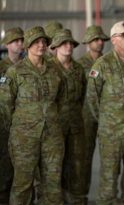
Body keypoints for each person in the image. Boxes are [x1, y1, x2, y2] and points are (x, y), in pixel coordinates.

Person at [0, 26, 64, 205]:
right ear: (28, 45)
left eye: (44, 41)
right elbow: (5, 106)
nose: (41, 45)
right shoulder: (15, 72)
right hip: (24, 138)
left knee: (52, 185)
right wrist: (18, 129)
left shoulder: (54, 71)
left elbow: (60, 100)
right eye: (36, 42)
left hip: (52, 137)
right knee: (23, 185)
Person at [85, 21, 124, 205]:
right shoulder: (102, 65)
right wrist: (107, 121)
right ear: (113, 39)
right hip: (112, 133)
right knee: (109, 177)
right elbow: (92, 98)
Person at [50, 29, 88, 205]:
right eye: (64, 43)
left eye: (71, 43)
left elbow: (83, 96)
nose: (68, 46)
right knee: (55, 164)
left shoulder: (79, 69)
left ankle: (76, 198)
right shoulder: (48, 68)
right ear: (56, 47)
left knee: (77, 164)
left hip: (75, 124)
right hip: (55, 126)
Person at [78, 25, 109, 198]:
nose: (100, 43)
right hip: (87, 116)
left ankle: (106, 196)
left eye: (101, 40)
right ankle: (81, 195)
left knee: (109, 158)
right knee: (85, 158)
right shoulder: (80, 65)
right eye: (96, 40)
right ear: (88, 42)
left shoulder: (107, 62)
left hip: (107, 116)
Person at [0, 27, 24, 205]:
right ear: (7, 44)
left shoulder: (27, 66)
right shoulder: (2, 68)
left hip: (25, 124)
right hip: (4, 125)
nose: (20, 43)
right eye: (16, 41)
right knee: (5, 169)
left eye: (22, 40)